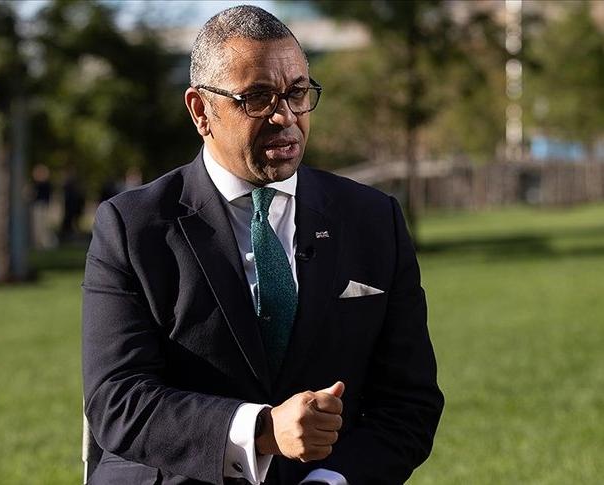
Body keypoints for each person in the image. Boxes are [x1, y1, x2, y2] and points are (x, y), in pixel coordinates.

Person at [82, 6, 443, 485]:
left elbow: (409, 403)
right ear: (200, 110)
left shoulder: (375, 220)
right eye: (256, 98)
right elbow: (118, 400)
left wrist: (332, 481)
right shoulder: (133, 227)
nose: (284, 116)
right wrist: (262, 431)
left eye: (297, 93)